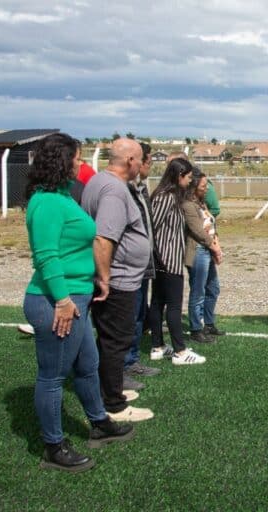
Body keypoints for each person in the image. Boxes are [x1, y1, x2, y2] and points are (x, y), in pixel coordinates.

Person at [23, 133, 134, 473]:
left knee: (88, 365)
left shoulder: (62, 197)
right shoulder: (47, 202)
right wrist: (62, 300)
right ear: (60, 160)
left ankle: (99, 424)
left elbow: (77, 246)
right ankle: (53, 446)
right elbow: (46, 256)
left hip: (78, 296)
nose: (80, 164)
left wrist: (97, 278)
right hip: (56, 301)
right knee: (53, 377)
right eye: (76, 158)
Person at [81, 138, 155, 422]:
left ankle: (107, 388)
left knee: (110, 340)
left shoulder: (101, 182)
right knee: (116, 340)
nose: (141, 165)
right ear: (129, 162)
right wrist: (105, 278)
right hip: (119, 280)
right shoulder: (113, 190)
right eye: (139, 160)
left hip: (121, 276)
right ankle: (114, 404)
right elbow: (103, 238)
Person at [148, 158, 206, 364]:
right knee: (172, 305)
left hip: (166, 259)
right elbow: (152, 228)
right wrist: (159, 258)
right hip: (166, 260)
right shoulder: (165, 197)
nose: (190, 181)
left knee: (157, 302)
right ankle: (180, 352)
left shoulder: (171, 196)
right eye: (188, 177)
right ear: (179, 175)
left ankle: (158, 346)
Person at [123, 141, 161, 386]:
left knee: (138, 314)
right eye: (146, 162)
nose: (147, 167)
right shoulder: (122, 190)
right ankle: (121, 367)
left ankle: (132, 360)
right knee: (128, 316)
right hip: (127, 269)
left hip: (143, 265)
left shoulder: (140, 189)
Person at [182, 171, 224, 344]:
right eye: (203, 186)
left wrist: (217, 244)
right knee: (198, 292)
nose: (207, 189)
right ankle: (195, 329)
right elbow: (198, 231)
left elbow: (210, 225)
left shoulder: (201, 203)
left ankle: (208, 323)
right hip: (198, 251)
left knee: (213, 288)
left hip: (208, 249)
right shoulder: (188, 205)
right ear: (193, 187)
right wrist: (214, 247)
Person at [167, 151, 220, 217]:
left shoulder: (201, 182)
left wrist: (202, 218)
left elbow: (215, 209)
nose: (168, 168)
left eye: (172, 164)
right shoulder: (171, 186)